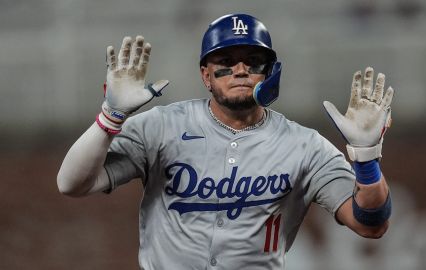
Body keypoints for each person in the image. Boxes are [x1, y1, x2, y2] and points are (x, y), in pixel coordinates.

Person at [57, 13, 394, 270]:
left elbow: (371, 225)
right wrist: (110, 117)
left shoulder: (304, 146)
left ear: (270, 72)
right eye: (226, 61)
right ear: (206, 74)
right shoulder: (161, 127)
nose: (241, 69)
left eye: (253, 60)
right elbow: (71, 183)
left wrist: (366, 160)